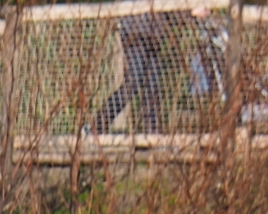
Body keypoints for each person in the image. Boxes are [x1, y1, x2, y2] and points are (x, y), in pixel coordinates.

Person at [90, 7, 220, 135]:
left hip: (153, 35)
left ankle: (153, 135)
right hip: (136, 33)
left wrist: (190, 12)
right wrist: (189, 11)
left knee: (152, 85)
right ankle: (97, 126)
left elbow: (169, 10)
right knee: (135, 80)